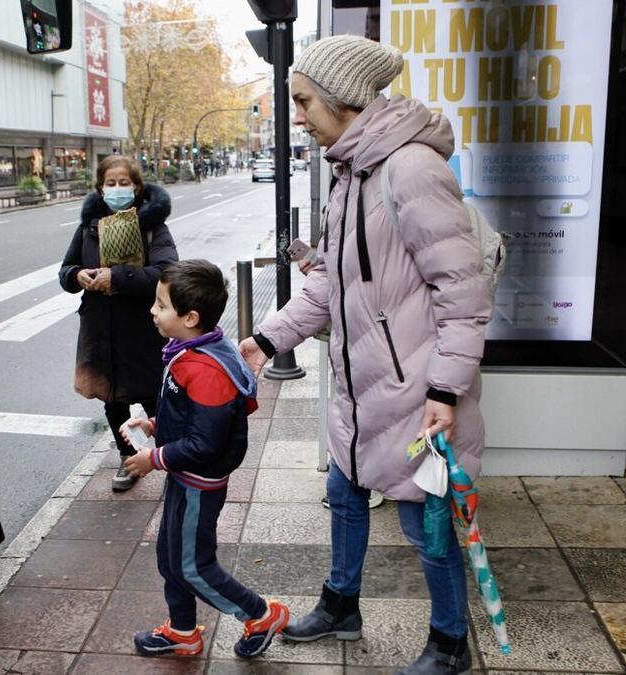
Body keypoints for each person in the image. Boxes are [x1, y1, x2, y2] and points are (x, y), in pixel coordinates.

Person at [238, 35, 490, 675]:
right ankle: (342, 605)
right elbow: (331, 282)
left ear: (342, 98)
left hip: (415, 393)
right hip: (361, 385)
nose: (297, 115)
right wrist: (271, 338)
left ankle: (449, 644)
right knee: (344, 493)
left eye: (302, 101)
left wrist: (444, 392)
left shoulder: (410, 169)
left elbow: (462, 292)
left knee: (423, 526)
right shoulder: (353, 172)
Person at [121, 260, 289, 659]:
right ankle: (182, 630)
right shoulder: (196, 347)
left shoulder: (204, 367)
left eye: (161, 305)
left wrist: (155, 458)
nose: (153, 311)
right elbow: (193, 416)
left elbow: (205, 443)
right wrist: (157, 424)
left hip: (198, 480)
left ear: (190, 317)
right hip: (185, 474)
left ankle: (260, 614)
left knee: (193, 565)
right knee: (170, 555)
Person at [59, 155, 178, 491]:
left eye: (123, 182)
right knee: (114, 403)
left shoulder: (153, 226)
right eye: (110, 183)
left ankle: (171, 459)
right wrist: (77, 275)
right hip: (101, 329)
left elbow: (165, 273)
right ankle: (129, 460)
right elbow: (65, 272)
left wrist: (118, 277)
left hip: (143, 331)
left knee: (157, 399)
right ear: (100, 188)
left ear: (137, 187)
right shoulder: (89, 227)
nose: (117, 189)